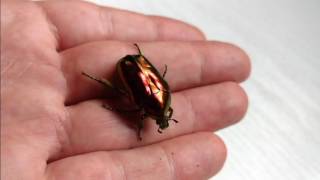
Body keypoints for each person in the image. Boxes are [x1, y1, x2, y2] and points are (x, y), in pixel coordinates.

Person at [1, 1, 250, 179]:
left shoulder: (160, 99)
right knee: (124, 95)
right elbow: (152, 91)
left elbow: (158, 86)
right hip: (131, 68)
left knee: (126, 95)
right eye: (163, 117)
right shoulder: (154, 102)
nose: (162, 121)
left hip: (137, 67)